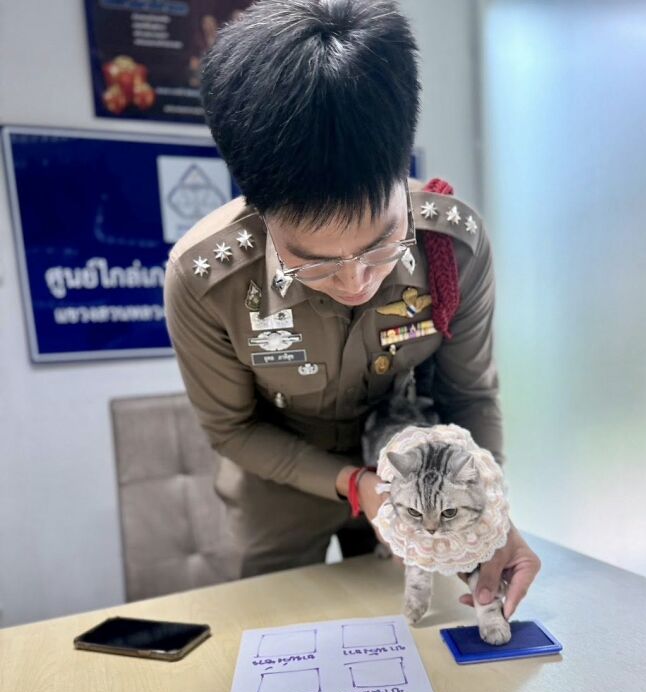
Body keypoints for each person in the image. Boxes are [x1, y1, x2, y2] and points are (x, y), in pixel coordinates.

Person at [164, 0, 541, 619]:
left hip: (414, 474)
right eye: (313, 263)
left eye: (381, 246)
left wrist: (489, 510)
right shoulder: (208, 279)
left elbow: (469, 395)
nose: (356, 282)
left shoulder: (452, 244)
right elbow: (232, 429)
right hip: (280, 483)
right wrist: (354, 484)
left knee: (423, 636)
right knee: (283, 633)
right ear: (259, 209)